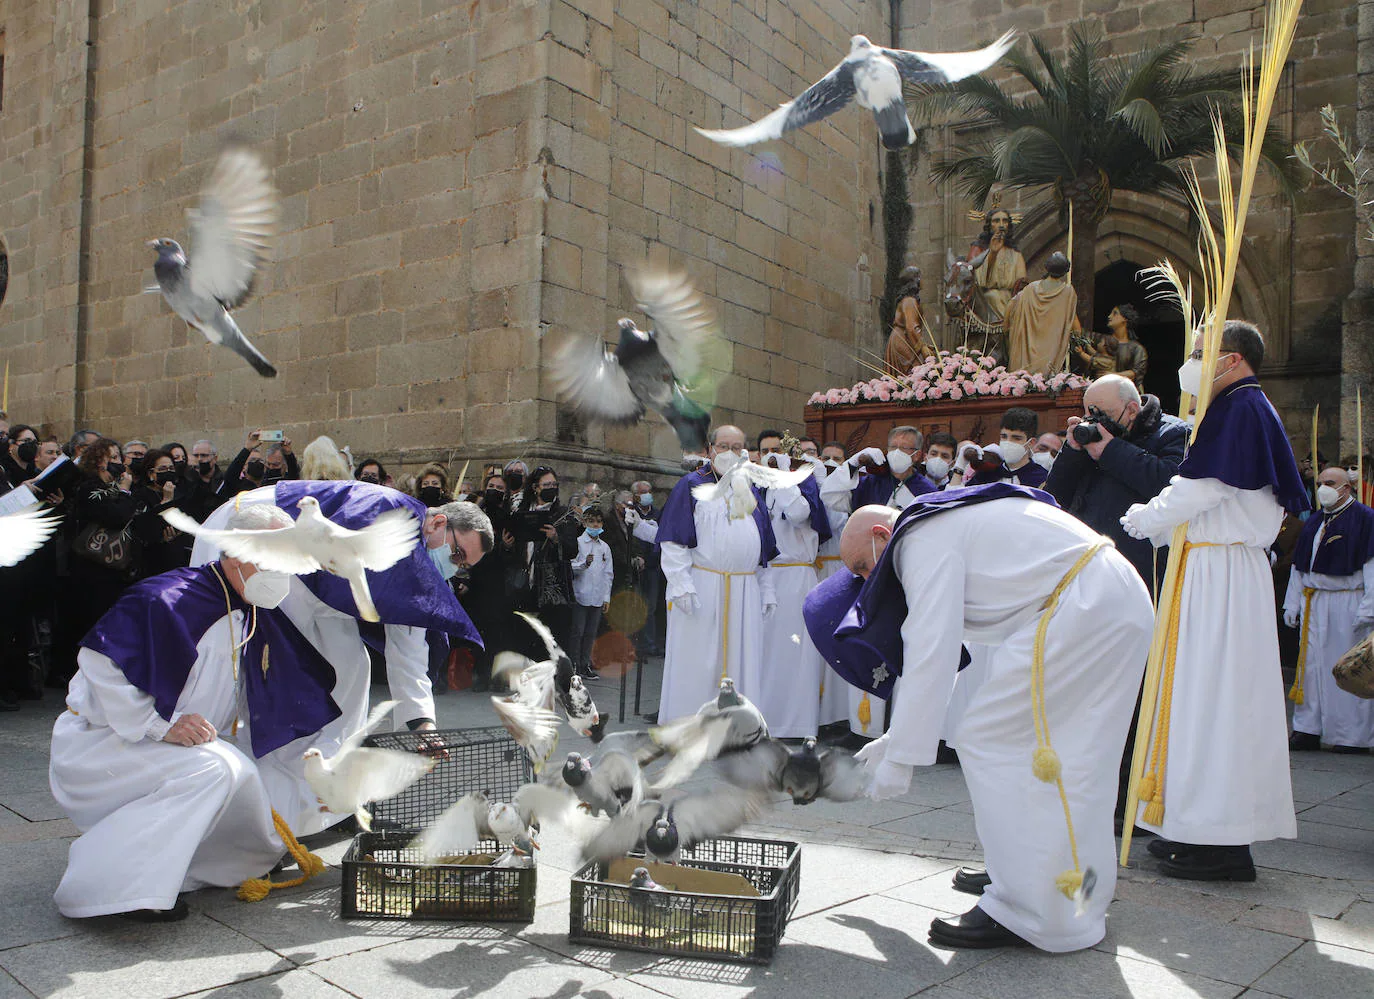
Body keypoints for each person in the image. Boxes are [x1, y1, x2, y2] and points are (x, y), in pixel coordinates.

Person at [808, 488, 1153, 952]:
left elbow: (931, 650)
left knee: (989, 739)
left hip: (1082, 607)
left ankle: (1026, 909)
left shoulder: (918, 539)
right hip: (1101, 600)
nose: (867, 581)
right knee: (1066, 759)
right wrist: (895, 738)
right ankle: (1045, 883)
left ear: (880, 535)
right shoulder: (943, 525)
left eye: (861, 568)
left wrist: (901, 762)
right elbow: (938, 658)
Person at [49, 505, 317, 921]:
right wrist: (158, 726)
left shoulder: (245, 602)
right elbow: (99, 660)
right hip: (102, 742)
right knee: (214, 770)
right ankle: (116, 888)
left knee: (238, 768)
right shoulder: (167, 599)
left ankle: (231, 863)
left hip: (162, 744)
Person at [1122, 320, 1309, 881]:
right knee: (1202, 699)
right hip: (1215, 566)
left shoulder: (1241, 408)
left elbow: (1204, 488)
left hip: (1221, 571)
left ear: (1229, 359)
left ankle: (1224, 842)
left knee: (1215, 699)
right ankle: (1196, 827)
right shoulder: (1244, 408)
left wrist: (1143, 518)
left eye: (1200, 354)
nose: (1192, 364)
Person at [656, 425, 777, 722]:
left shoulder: (749, 490)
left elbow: (763, 548)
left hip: (745, 590)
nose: (730, 453)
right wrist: (681, 585)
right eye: (723, 446)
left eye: (737, 448)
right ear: (710, 450)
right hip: (703, 587)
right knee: (698, 659)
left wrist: (768, 589)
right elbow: (673, 541)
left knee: (742, 660)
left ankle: (738, 727)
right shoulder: (691, 485)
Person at [1045, 375, 1188, 586]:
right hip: (1088, 562)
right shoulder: (1090, 438)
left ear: (1131, 409)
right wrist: (1073, 451)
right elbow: (1056, 497)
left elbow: (1170, 484)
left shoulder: (1174, 432)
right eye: (1089, 414)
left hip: (1145, 569)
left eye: (1104, 414)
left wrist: (1110, 451)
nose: (1096, 422)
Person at [1284, 466, 1374, 752]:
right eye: (1320, 482)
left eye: (1330, 483)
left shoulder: (1365, 519)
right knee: (1310, 666)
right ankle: (1308, 727)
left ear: (1347, 487)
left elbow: (1372, 567)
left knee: (1345, 667)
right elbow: (1299, 567)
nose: (1323, 487)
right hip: (1314, 600)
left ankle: (1351, 735)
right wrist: (1292, 602)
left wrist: (1368, 609)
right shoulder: (1313, 522)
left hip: (1347, 599)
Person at [753, 447, 832, 738]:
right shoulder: (760, 487)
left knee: (795, 651)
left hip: (797, 575)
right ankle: (764, 719)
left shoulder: (803, 484)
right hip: (768, 575)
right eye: (766, 453)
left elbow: (800, 515)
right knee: (767, 651)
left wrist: (785, 479)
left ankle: (797, 724)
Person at [511, 466, 581, 650]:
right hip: (525, 585)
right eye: (546, 484)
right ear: (535, 487)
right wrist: (508, 544)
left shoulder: (563, 514)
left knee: (552, 642)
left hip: (552, 589)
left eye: (554, 484)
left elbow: (572, 549)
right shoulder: (523, 511)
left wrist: (557, 538)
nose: (551, 487)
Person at [819, 425, 936, 514]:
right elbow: (829, 496)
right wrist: (852, 463)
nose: (897, 452)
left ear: (916, 455)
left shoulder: (927, 492)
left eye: (904, 448)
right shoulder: (869, 484)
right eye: (893, 447)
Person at [1004, 251, 1077, 375]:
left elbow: (1011, 306)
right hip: (1051, 353)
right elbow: (1071, 323)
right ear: (1066, 271)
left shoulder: (1031, 289)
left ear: (1046, 267)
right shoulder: (1068, 292)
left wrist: (1007, 329)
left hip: (1026, 352)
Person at [130, 448, 195, 577]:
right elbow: (146, 528)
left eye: (171, 468)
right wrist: (167, 500)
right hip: (154, 562)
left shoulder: (181, 493)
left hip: (180, 559)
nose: (168, 472)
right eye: (163, 469)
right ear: (151, 473)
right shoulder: (140, 495)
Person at [568, 507, 613, 678]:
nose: (595, 525)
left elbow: (608, 574)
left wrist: (606, 597)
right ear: (585, 523)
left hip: (597, 596)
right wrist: (583, 564)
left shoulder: (605, 547)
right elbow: (570, 566)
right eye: (591, 521)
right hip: (581, 594)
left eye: (598, 522)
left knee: (591, 632)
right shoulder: (578, 543)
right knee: (577, 631)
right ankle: (573, 663)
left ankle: (584, 663)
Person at [966, 206, 1027, 322]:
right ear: (989, 225)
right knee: (992, 296)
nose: (1001, 225)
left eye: (1004, 221)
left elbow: (1021, 284)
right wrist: (993, 253)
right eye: (996, 221)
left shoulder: (1016, 254)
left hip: (1010, 302)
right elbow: (979, 281)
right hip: (987, 302)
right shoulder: (981, 251)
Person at [627, 480, 664, 657]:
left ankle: (649, 644)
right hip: (636, 566)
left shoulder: (658, 514)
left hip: (653, 565)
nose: (648, 495)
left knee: (651, 607)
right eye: (643, 492)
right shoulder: (631, 513)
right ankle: (633, 646)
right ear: (635, 496)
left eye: (649, 491)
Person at [970, 407, 1047, 488]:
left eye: (1016, 438)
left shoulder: (1041, 478)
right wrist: (959, 467)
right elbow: (960, 497)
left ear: (1031, 443)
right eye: (1004, 437)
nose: (1008, 442)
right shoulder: (986, 475)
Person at [885, 266, 937, 374]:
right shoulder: (910, 301)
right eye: (920, 277)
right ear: (916, 280)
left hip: (903, 339)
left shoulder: (907, 300)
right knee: (915, 374)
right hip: (902, 341)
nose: (922, 281)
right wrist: (923, 348)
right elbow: (911, 327)